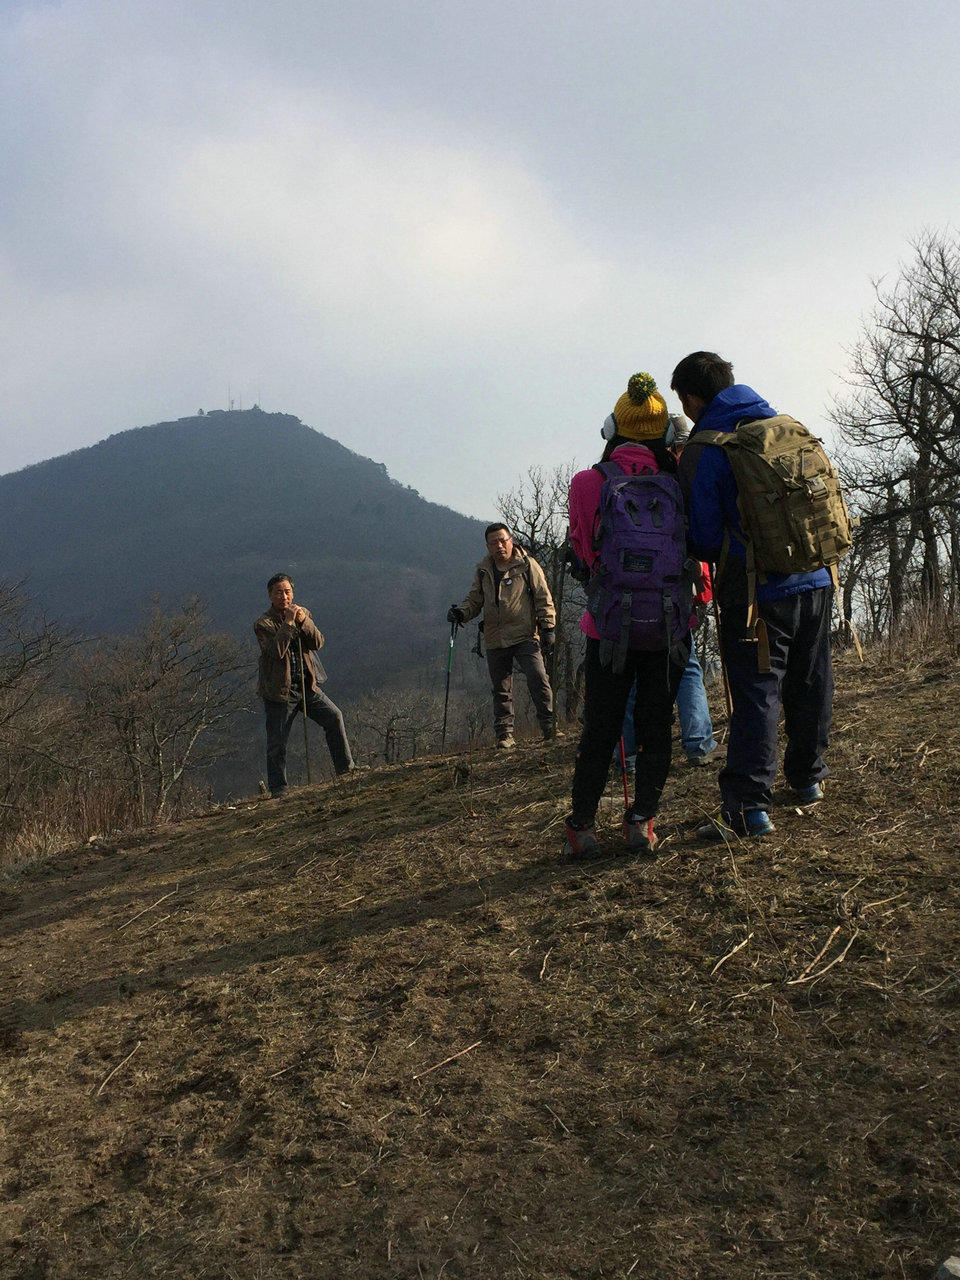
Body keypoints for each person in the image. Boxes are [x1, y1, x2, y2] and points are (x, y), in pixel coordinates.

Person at [671, 351, 834, 839]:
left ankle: (748, 806)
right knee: (811, 679)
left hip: (756, 591)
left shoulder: (709, 447)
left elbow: (700, 537)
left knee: (758, 691)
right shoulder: (787, 426)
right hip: (817, 574)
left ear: (694, 397)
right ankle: (807, 780)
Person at [563, 373, 693, 859]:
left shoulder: (587, 483)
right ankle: (642, 821)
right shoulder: (679, 482)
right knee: (658, 723)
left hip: (610, 626)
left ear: (612, 429)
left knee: (602, 725)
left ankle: (582, 826)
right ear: (665, 436)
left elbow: (582, 550)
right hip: (668, 626)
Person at [448, 524, 556, 749]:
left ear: (511, 540)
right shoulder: (483, 571)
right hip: (495, 637)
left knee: (538, 678)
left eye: (502, 540)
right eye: (493, 543)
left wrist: (548, 628)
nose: (498, 546)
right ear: (487, 546)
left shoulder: (527, 565)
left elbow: (543, 597)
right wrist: (461, 613)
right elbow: (475, 600)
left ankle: (549, 728)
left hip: (525, 634)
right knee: (501, 689)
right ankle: (505, 736)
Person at [255, 573, 355, 797]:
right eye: (279, 592)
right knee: (278, 742)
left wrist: (302, 620)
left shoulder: (303, 614)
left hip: (307, 686)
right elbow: (275, 652)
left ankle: (346, 770)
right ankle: (279, 789)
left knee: (334, 717)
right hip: (279, 692)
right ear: (270, 595)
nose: (284, 596)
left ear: (293, 593)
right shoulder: (263, 624)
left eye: (288, 591)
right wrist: (289, 624)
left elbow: (317, 642)